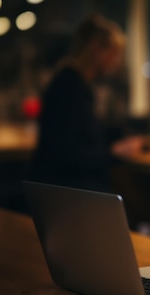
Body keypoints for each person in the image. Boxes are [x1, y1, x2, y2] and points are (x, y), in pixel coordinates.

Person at [27, 14, 126, 192]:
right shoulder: (69, 87)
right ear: (96, 48)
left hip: (64, 190)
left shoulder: (74, 83)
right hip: (64, 194)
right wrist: (113, 152)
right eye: (114, 53)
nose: (117, 61)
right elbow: (66, 154)